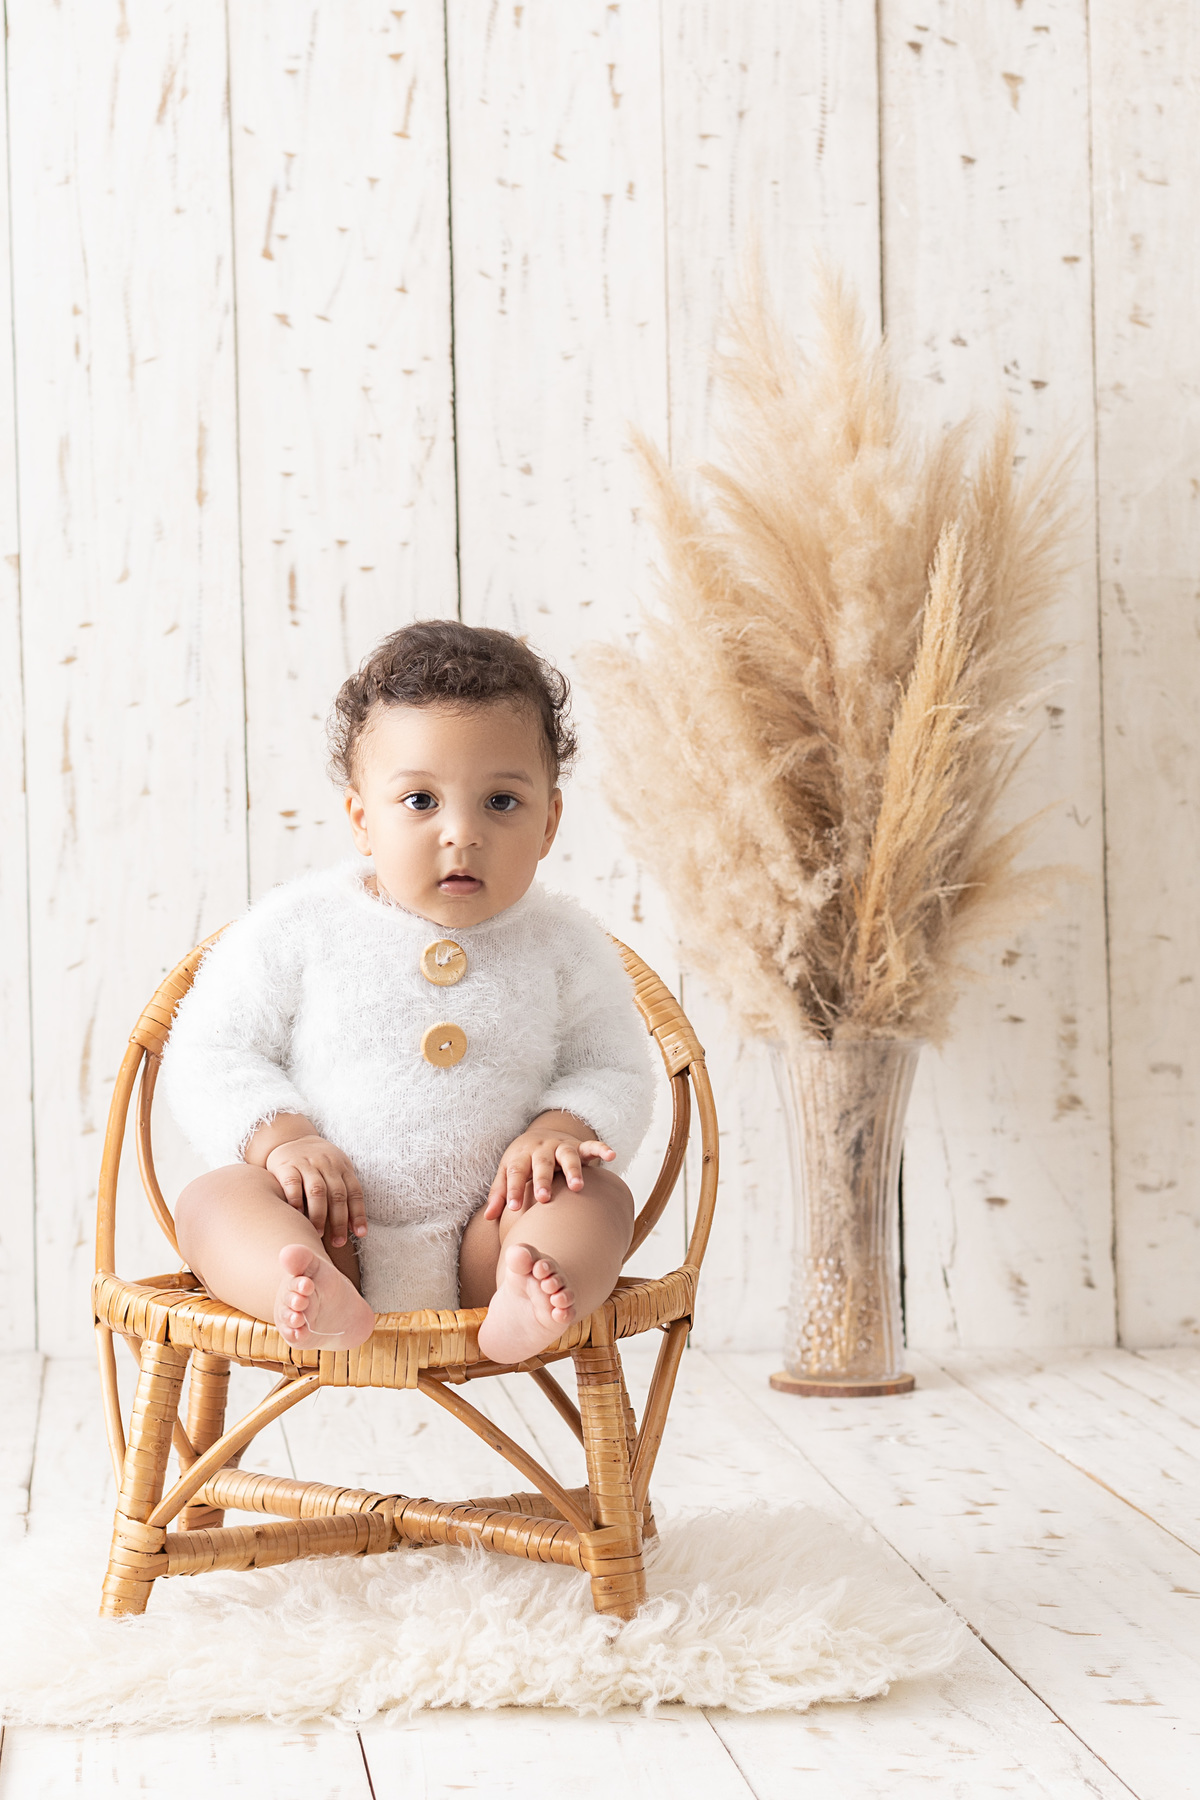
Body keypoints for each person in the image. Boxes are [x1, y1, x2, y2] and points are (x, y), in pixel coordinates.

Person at [161, 620, 655, 1366]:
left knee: (597, 1199)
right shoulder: (301, 925)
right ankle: (297, 1289)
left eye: (501, 802)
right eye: (421, 800)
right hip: (328, 1224)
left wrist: (560, 1127)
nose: (462, 833)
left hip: (497, 1230)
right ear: (363, 820)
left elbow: (614, 1064)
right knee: (212, 1200)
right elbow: (211, 1049)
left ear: (550, 822)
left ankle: (533, 1293)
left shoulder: (564, 942)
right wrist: (283, 1139)